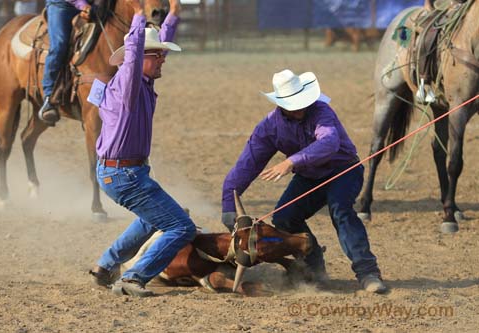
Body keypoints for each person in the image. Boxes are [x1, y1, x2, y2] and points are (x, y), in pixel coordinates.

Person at [221, 69, 387, 294]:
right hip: (309, 176)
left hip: (344, 170)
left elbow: (329, 142)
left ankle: (368, 272)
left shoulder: (321, 111)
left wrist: (291, 162)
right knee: (284, 217)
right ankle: (313, 265)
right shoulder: (269, 128)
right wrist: (229, 208)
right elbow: (246, 165)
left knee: (341, 210)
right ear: (281, 104)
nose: (299, 107)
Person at [89, 0, 196, 298]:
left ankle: (106, 264)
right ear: (140, 58)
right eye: (158, 55)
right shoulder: (128, 82)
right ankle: (133, 276)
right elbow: (135, 56)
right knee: (181, 226)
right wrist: (138, 17)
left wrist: (173, 17)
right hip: (125, 173)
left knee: (155, 218)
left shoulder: (141, 81)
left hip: (123, 171)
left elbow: (145, 54)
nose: (163, 59)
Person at [38, 0, 92, 125]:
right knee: (59, 46)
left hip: (90, 5)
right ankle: (49, 96)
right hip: (62, 5)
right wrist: (83, 5)